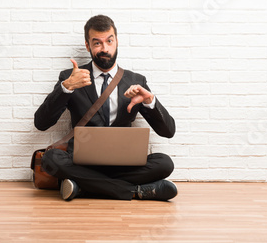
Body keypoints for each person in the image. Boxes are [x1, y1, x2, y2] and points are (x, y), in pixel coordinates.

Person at [34, 15, 177, 201]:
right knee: (51, 158)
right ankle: (135, 191)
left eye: (109, 41)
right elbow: (41, 123)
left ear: (116, 41)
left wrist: (150, 101)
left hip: (123, 163)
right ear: (88, 46)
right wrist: (66, 88)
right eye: (97, 43)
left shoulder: (135, 81)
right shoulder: (72, 77)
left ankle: (83, 187)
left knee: (164, 163)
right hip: (82, 162)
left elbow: (168, 131)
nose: (105, 49)